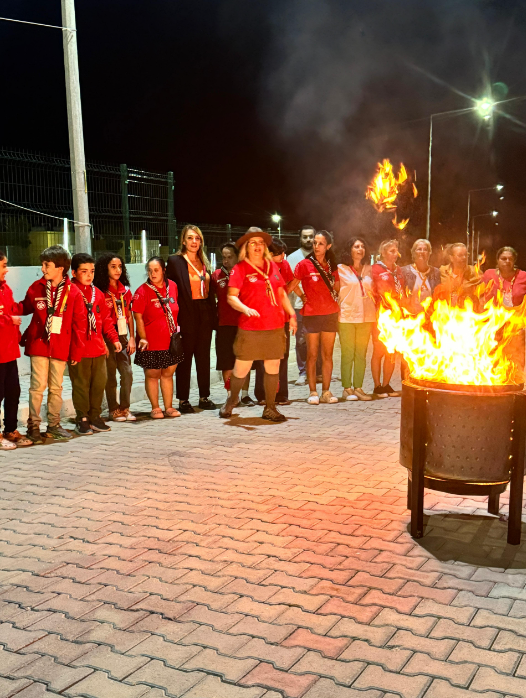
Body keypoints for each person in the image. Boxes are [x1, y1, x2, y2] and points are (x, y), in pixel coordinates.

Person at [219, 227, 297, 422]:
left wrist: (292, 314)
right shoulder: (240, 268)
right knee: (241, 370)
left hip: (275, 326)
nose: (257, 246)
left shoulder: (273, 267)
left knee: (273, 368)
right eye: (252, 243)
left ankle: (270, 408)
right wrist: (245, 309)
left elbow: (281, 293)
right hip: (251, 328)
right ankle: (231, 400)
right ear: (246, 246)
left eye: (261, 243)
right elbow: (231, 297)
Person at [20, 245, 86, 444]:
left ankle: (54, 425)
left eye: (46, 265)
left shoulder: (73, 292)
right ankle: (33, 426)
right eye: (43, 264)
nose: (43, 268)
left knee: (56, 388)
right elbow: (24, 307)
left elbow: (79, 324)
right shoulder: (36, 287)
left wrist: (76, 352)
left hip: (60, 346)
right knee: (37, 387)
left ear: (60, 268)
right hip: (39, 344)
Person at [70, 253, 122, 436]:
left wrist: (114, 338)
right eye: (84, 271)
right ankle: (82, 418)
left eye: (91, 271)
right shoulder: (70, 292)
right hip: (79, 349)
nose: (89, 275)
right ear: (74, 272)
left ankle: (95, 416)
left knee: (99, 383)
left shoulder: (96, 293)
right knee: (81, 385)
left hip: (98, 348)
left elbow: (106, 319)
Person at [167, 225, 216, 413]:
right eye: (190, 238)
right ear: (183, 241)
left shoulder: (204, 261)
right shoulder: (175, 261)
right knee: (185, 358)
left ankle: (204, 396)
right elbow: (170, 288)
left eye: (197, 238)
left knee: (203, 357)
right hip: (186, 313)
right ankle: (183, 400)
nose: (194, 242)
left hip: (205, 311)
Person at [288, 230, 340, 405]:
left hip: (330, 314)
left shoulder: (333, 265)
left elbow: (338, 287)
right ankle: (312, 392)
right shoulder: (304, 264)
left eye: (320, 244)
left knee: (327, 355)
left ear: (328, 246)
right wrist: (302, 296)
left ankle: (326, 391)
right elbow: (291, 285)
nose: (316, 246)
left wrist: (334, 289)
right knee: (311, 355)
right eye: (315, 243)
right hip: (311, 314)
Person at [132, 256, 183, 419]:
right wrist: (143, 338)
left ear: (164, 270)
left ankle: (169, 406)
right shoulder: (142, 291)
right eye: (149, 270)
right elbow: (137, 316)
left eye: (156, 270)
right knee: (153, 374)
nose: (152, 274)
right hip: (151, 341)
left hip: (171, 341)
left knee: (168, 373)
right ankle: (155, 407)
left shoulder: (173, 287)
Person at [211, 242, 255, 406]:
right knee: (226, 362)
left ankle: (244, 394)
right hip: (224, 325)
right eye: (224, 257)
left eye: (230, 257)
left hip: (244, 324)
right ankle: (231, 395)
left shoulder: (246, 274)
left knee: (245, 360)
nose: (226, 260)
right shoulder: (216, 276)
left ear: (238, 257)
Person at [94, 253, 136, 422]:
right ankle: (113, 409)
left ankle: (125, 408)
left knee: (127, 373)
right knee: (110, 375)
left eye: (120, 266)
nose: (118, 270)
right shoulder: (99, 291)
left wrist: (132, 337)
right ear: (105, 269)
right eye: (113, 267)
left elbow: (130, 315)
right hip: (106, 336)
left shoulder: (125, 291)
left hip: (123, 335)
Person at [254, 238, 295, 405]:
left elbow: (290, 282)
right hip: (263, 320)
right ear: (269, 254)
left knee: (282, 356)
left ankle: (281, 394)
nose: (283, 256)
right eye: (279, 254)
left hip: (281, 319)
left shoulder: (284, 265)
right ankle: (262, 394)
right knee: (262, 357)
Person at [0, 250, 32, 449]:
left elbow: (13, 310)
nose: (7, 270)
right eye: (3, 266)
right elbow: (8, 317)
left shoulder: (5, 289)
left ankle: (10, 429)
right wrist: (7, 320)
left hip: (9, 351)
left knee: (13, 392)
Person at [337, 237, 375, 402]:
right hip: (347, 316)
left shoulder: (369, 269)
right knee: (347, 353)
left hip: (366, 316)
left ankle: (358, 387)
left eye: (362, 246)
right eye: (356, 246)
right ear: (349, 249)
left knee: (361, 353)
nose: (360, 249)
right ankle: (347, 388)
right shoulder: (341, 269)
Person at [483, 246, 526, 381]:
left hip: (516, 328)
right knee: (494, 361)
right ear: (497, 260)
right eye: (503, 258)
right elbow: (482, 297)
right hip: (494, 326)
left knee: (514, 362)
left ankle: (515, 389)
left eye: (510, 259)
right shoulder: (489, 274)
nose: (507, 261)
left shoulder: (523, 276)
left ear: (514, 261)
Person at [286, 225, 322, 385]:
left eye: (311, 236)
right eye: (305, 237)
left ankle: (319, 372)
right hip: (301, 307)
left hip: (321, 308)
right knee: (301, 341)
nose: (308, 239)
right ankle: (303, 372)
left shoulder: (322, 256)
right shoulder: (293, 258)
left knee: (319, 340)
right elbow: (289, 283)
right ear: (300, 239)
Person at [371, 239, 406, 399]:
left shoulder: (398, 270)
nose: (395, 253)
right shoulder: (376, 269)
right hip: (382, 315)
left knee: (392, 352)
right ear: (383, 253)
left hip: (397, 316)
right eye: (391, 251)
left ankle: (386, 384)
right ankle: (377, 385)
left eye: (396, 250)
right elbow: (373, 291)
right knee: (379, 351)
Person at [401, 239, 441, 314]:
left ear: (429, 253)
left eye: (425, 250)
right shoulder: (404, 271)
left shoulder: (436, 272)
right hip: (410, 318)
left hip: (430, 317)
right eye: (419, 249)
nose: (422, 252)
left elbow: (438, 296)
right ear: (413, 252)